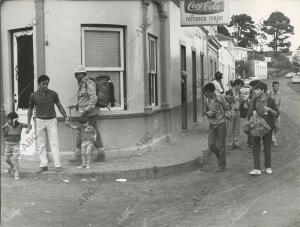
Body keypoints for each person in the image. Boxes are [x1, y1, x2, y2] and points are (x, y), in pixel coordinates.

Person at [27, 75, 70, 173]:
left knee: (54, 143)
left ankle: (57, 165)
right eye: (43, 84)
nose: (45, 86)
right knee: (41, 144)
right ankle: (43, 165)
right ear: (39, 84)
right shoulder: (33, 95)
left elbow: (59, 105)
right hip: (39, 121)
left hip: (51, 120)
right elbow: (30, 109)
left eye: (47, 84)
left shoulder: (53, 94)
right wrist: (28, 122)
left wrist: (65, 116)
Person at [68, 65, 105, 163]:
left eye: (77, 74)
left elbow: (93, 98)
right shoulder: (82, 84)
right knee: (93, 133)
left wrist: (86, 111)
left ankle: (79, 155)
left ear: (83, 74)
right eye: (75, 74)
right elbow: (83, 98)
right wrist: (76, 105)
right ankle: (100, 153)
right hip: (86, 113)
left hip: (89, 113)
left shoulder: (89, 83)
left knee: (82, 133)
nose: (76, 76)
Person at [247, 82, 279, 176]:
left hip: (267, 127)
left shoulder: (270, 101)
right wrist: (252, 115)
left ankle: (268, 167)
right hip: (256, 126)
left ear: (263, 90)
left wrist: (270, 110)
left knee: (267, 147)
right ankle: (257, 168)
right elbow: (252, 110)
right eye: (255, 89)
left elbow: (277, 113)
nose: (255, 91)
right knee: (256, 146)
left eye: (257, 89)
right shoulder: (255, 100)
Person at [204, 82, 231, 172]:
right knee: (211, 144)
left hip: (221, 124)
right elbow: (204, 111)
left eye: (208, 92)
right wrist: (207, 113)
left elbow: (227, 107)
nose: (206, 94)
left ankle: (222, 165)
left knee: (221, 146)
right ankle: (220, 158)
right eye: (205, 92)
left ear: (213, 91)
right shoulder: (206, 100)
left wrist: (222, 102)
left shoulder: (220, 98)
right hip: (212, 124)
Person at [2, 112, 28, 179]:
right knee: (6, 159)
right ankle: (12, 166)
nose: (8, 120)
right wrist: (4, 129)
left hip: (16, 144)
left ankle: (16, 173)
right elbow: (5, 135)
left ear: (14, 120)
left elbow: (28, 125)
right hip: (8, 144)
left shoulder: (20, 125)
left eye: (9, 119)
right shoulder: (7, 125)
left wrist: (28, 129)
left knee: (15, 158)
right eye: (7, 119)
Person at [225, 79, 244, 149]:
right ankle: (229, 144)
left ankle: (236, 143)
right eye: (240, 86)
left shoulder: (239, 92)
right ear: (236, 85)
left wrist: (241, 101)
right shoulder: (229, 92)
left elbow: (240, 102)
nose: (241, 88)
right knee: (230, 129)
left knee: (237, 129)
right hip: (231, 113)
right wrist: (233, 98)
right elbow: (226, 102)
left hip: (238, 112)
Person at [246, 80, 261, 148]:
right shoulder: (255, 92)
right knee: (253, 127)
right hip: (253, 112)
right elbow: (252, 104)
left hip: (251, 111)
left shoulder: (252, 91)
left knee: (251, 127)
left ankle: (250, 142)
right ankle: (252, 142)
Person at [268, 81, 281, 146]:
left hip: (277, 112)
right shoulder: (269, 93)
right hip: (271, 112)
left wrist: (279, 110)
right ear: (272, 86)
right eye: (275, 86)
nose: (276, 87)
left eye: (277, 86)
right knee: (271, 127)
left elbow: (280, 103)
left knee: (278, 127)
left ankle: (272, 136)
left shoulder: (279, 93)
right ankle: (272, 139)